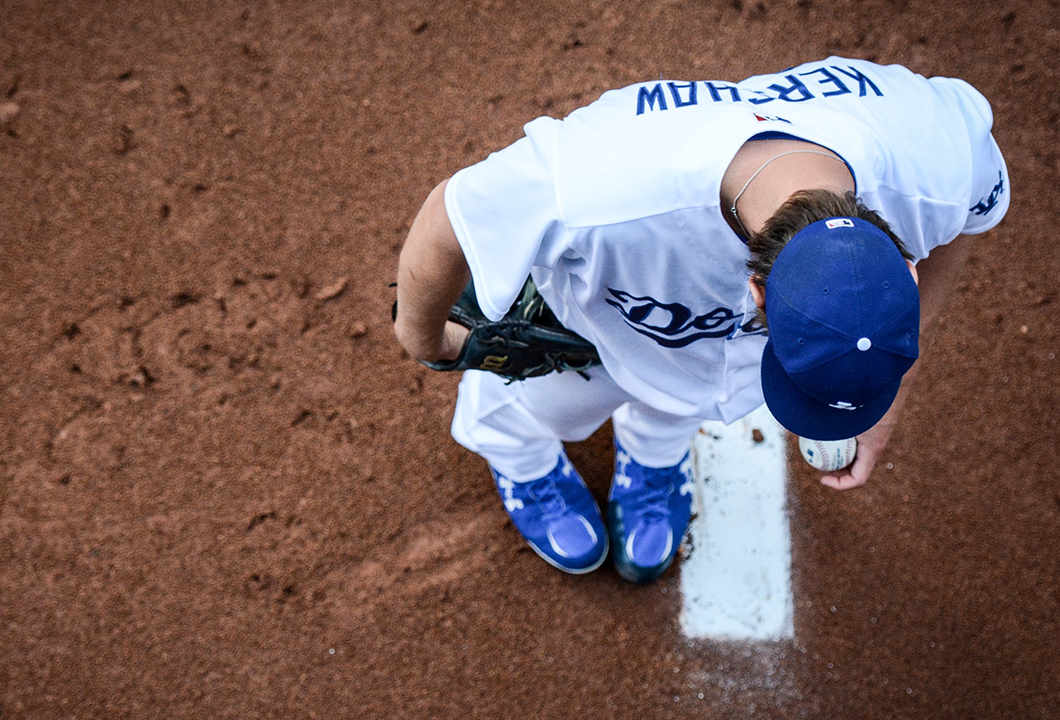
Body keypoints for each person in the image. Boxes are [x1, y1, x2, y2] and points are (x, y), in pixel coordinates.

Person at [393, 57, 1009, 582]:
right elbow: (451, 211)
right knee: (533, 409)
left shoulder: (940, 154)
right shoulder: (597, 182)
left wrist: (886, 393)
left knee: (687, 399)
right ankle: (525, 465)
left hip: (692, 341)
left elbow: (968, 218)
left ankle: (654, 459)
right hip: (589, 333)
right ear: (757, 295)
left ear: (908, 266)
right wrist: (428, 341)